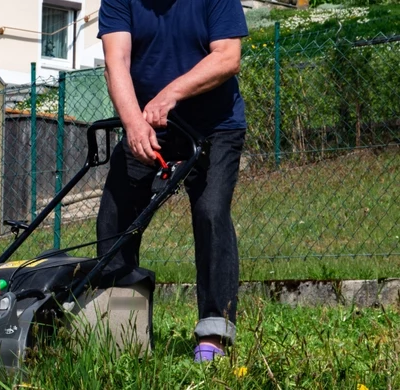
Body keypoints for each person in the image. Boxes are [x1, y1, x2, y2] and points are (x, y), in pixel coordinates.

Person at [95, 0, 249, 362]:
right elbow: (115, 61)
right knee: (116, 215)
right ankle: (118, 329)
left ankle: (215, 333)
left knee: (211, 212)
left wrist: (171, 93)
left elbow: (228, 56)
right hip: (148, 123)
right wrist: (133, 123)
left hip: (215, 125)